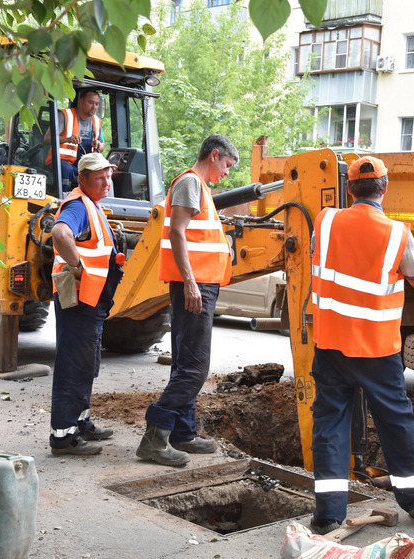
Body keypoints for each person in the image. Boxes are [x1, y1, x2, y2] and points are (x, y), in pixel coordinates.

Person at [309, 155, 414, 534]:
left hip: (331, 344)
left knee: (330, 423)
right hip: (377, 349)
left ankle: (328, 513)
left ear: (349, 188)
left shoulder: (325, 221)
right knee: (396, 421)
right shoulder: (398, 235)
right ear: (386, 188)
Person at [136, 133, 238, 467]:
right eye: (226, 165)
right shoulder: (190, 183)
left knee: (185, 361)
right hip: (194, 287)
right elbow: (176, 233)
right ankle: (155, 437)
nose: (226, 173)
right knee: (195, 367)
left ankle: (182, 432)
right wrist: (192, 283)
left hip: (200, 285)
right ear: (214, 155)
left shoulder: (200, 188)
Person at [49, 152, 124, 455]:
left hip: (90, 301)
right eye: (99, 177)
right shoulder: (78, 205)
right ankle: (63, 437)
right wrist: (79, 267)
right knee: (74, 364)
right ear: (82, 179)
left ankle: (80, 422)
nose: (107, 182)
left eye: (109, 176)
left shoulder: (91, 205)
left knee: (85, 363)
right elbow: (59, 233)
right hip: (80, 300)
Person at [45, 89, 105, 189]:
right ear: (81, 101)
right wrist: (68, 139)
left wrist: (99, 144)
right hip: (62, 162)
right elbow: (47, 138)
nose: (94, 107)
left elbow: (102, 146)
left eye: (97, 104)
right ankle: (63, 195)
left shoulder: (97, 122)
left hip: (84, 165)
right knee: (66, 169)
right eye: (90, 103)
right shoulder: (65, 116)